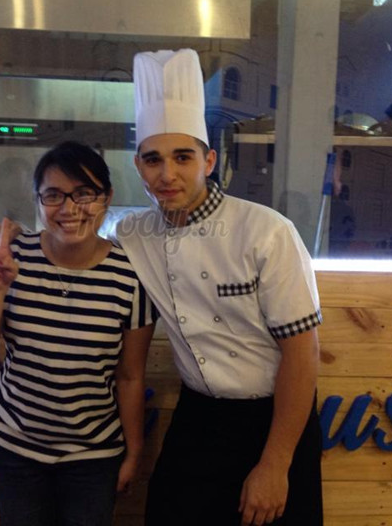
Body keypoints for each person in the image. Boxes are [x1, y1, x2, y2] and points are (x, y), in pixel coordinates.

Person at [115, 48, 323, 526]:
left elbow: (303, 353)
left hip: (274, 420)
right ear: (138, 166)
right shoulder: (132, 235)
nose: (167, 174)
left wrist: (275, 464)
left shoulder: (267, 231)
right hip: (198, 418)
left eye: (182, 157)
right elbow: (78, 249)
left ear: (209, 161)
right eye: (153, 160)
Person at [0, 141, 155, 526]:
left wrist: (133, 453)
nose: (69, 207)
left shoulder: (130, 277)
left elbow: (130, 376)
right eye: (53, 195)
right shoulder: (11, 257)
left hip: (94, 455)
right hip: (14, 446)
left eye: (84, 193)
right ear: (38, 200)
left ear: (107, 198)